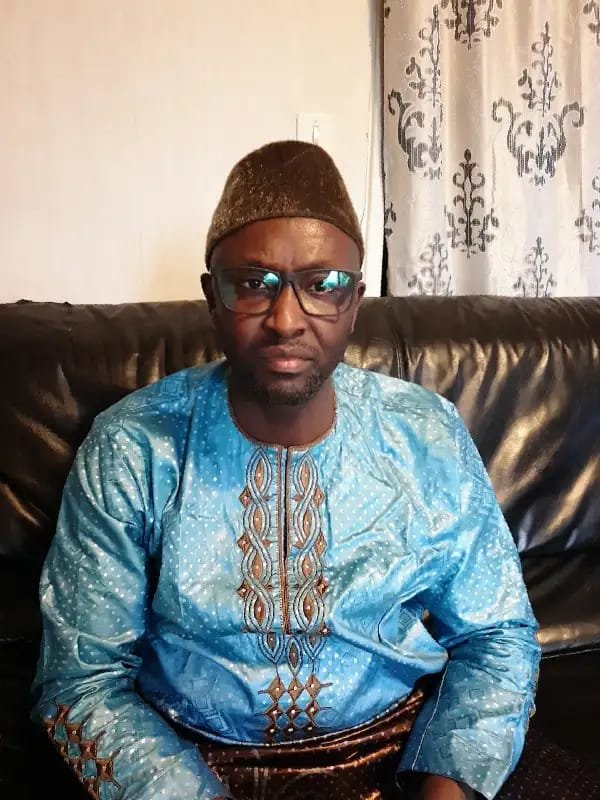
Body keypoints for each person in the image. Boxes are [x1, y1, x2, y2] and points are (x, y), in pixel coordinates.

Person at [32, 141, 540, 800]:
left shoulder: (425, 435)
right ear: (212, 297)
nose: (285, 320)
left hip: (402, 751)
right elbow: (81, 680)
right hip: (184, 759)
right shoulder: (133, 448)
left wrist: (445, 787)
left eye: (322, 285)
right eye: (253, 284)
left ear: (355, 301)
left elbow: (496, 634)